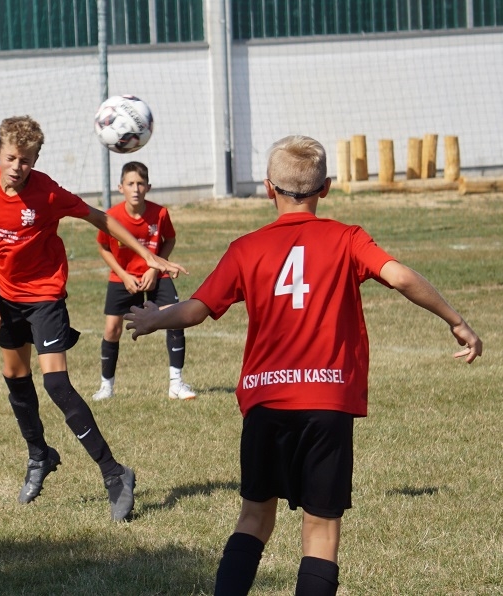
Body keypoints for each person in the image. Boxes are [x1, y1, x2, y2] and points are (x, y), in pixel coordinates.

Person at [124, 135, 482, 594]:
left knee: (254, 518)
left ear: (268, 189)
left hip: (267, 401)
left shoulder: (246, 247)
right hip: (327, 402)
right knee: (321, 530)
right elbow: (400, 276)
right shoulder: (348, 238)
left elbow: (197, 309)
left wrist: (155, 318)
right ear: (326, 188)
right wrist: (456, 320)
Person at [0, 115, 186, 522]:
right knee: (15, 377)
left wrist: (147, 254)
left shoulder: (48, 192)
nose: (18, 167)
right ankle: (40, 454)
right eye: (12, 158)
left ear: (36, 160)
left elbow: (101, 218)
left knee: (56, 384)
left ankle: (114, 473)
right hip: (8, 299)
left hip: (45, 297)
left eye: (26, 160)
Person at [91, 161, 194, 402]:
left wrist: (155, 268)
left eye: (140, 183)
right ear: (120, 187)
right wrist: (123, 275)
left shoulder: (160, 213)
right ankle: (106, 387)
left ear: (148, 187)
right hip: (124, 276)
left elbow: (169, 240)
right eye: (130, 184)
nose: (135, 189)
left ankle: (176, 384)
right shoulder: (111, 217)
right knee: (112, 329)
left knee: (175, 319)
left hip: (155, 274)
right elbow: (103, 247)